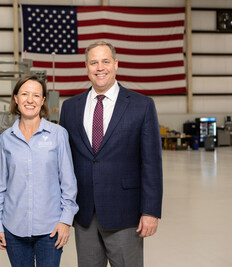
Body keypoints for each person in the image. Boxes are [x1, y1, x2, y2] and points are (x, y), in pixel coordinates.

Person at [59, 41, 163, 267]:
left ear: (116, 64)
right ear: (86, 67)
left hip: (125, 214)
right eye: (93, 62)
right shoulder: (70, 108)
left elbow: (151, 163)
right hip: (84, 215)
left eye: (105, 61)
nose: (100, 67)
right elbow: (64, 163)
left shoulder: (141, 105)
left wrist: (151, 211)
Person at [0, 75, 79, 267]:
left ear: (43, 100)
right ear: (15, 98)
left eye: (36, 95)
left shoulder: (58, 135)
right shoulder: (6, 138)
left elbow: (68, 183)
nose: (30, 100)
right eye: (24, 94)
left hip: (51, 230)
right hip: (14, 229)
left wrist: (65, 221)